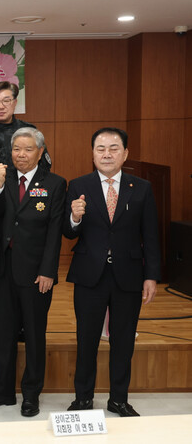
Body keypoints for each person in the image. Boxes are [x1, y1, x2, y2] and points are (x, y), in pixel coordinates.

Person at [64, 128, 160, 417]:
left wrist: (151, 276)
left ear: (125, 153)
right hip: (89, 274)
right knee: (86, 339)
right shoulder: (78, 185)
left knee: (124, 340)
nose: (107, 154)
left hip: (128, 274)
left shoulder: (141, 187)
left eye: (114, 148)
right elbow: (68, 232)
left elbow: (151, 235)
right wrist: (74, 217)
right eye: (101, 148)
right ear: (93, 153)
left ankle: (119, 399)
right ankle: (83, 398)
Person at [0, 127, 65, 418]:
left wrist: (48, 270)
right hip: (3, 269)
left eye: (28, 149)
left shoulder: (54, 183)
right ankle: (3, 391)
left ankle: (31, 394)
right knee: (3, 334)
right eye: (16, 149)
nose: (21, 155)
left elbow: (55, 231)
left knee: (35, 336)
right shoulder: (3, 177)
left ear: (40, 152)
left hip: (36, 274)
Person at [0, 81, 52, 343]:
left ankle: (24, 325)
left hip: (24, 210)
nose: (0, 105)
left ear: (15, 102)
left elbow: (45, 168)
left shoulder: (29, 131)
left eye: (6, 100)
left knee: (24, 268)